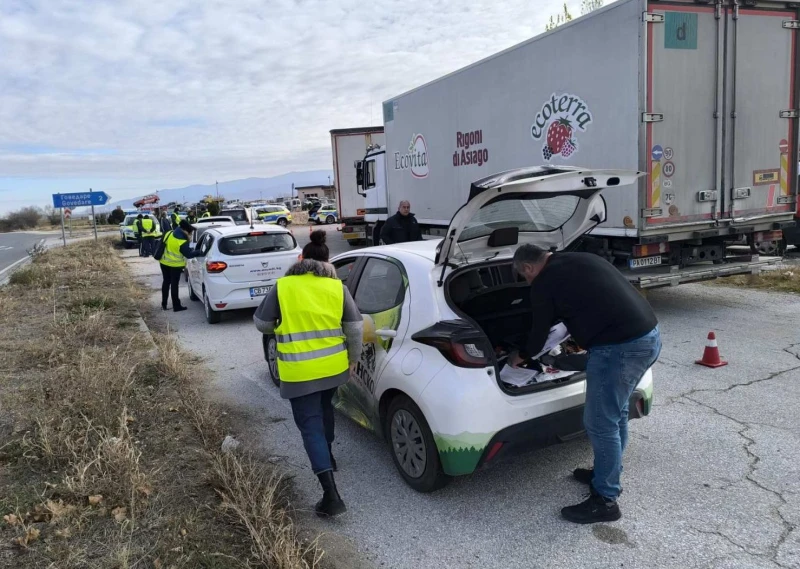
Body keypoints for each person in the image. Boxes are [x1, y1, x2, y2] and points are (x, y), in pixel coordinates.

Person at [508, 244, 661, 525]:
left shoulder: (544, 282)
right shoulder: (582, 257)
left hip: (620, 349)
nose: (527, 281)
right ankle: (606, 472)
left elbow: (539, 335)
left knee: (601, 424)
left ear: (528, 267)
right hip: (648, 336)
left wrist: (520, 355)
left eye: (524, 276)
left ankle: (605, 500)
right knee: (617, 415)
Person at [253, 230, 363, 518]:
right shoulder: (336, 287)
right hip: (333, 368)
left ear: (300, 259)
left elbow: (262, 324)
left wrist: (282, 321)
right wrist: (354, 360)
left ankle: (331, 495)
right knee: (325, 408)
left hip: (299, 371)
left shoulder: (283, 286)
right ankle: (330, 458)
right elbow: (354, 327)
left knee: (310, 424)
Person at [158, 220, 203, 312]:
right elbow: (189, 254)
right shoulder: (182, 241)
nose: (190, 235)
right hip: (175, 265)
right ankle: (176, 306)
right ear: (185, 231)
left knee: (166, 282)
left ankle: (164, 304)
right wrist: (200, 251)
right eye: (190, 233)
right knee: (174, 285)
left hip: (163, 262)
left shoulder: (169, 233)